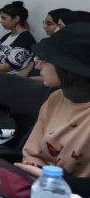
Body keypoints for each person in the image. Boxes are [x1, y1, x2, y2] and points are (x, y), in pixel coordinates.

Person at [16, 23, 90, 181]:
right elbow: (33, 153)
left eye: (44, 59)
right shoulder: (56, 97)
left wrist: (53, 179)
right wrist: (34, 166)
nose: (38, 66)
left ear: (68, 68)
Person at [0, 1, 36, 75]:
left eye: (4, 18)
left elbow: (9, 67)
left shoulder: (25, 39)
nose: (1, 21)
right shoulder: (5, 37)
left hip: (6, 77)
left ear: (16, 19)